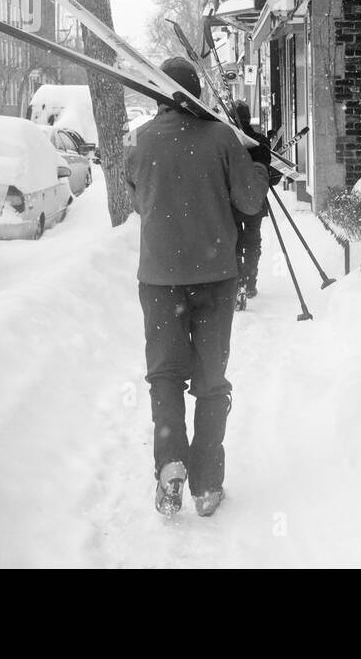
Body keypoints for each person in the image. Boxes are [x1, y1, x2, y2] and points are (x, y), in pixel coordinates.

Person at [125, 58, 269, 517]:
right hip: (214, 280)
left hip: (160, 281)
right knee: (210, 381)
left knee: (165, 376)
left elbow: (138, 198)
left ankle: (170, 465)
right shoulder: (222, 139)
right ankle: (207, 484)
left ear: (161, 98)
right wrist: (260, 166)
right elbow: (249, 199)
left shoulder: (142, 142)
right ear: (197, 96)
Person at [232, 100, 281, 299]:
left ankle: (239, 282)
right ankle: (251, 282)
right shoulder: (261, 141)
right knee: (252, 242)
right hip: (255, 199)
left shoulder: (228, 139)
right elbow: (267, 168)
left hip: (232, 200)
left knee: (234, 242)